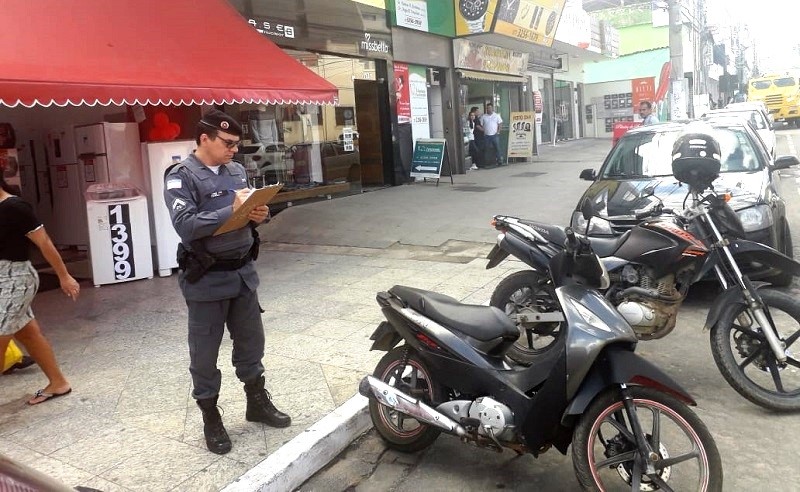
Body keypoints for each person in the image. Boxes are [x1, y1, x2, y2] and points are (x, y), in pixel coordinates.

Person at [164, 109, 290, 455]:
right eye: (228, 143)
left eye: (237, 144)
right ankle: (210, 417)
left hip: (242, 275)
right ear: (204, 139)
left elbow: (242, 217)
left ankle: (256, 402)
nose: (234, 150)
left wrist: (257, 215)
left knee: (251, 343)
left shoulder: (235, 170)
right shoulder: (181, 177)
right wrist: (231, 209)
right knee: (204, 354)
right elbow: (186, 225)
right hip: (207, 279)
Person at [0, 173, 78, 405]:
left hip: (16, 279)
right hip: (2, 279)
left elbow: (44, 242)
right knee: (28, 334)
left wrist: (64, 276)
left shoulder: (15, 207)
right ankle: (58, 382)